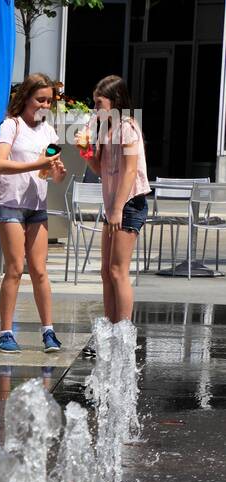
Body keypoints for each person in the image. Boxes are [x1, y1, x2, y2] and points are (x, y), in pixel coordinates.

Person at [0, 73, 67, 354]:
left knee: (39, 270)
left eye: (49, 100)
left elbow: (46, 172)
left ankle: (48, 330)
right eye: (40, 99)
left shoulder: (49, 132)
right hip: (10, 201)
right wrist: (38, 163)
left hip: (37, 204)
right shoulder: (11, 126)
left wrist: (55, 172)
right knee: (15, 269)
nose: (45, 105)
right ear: (26, 98)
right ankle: (5, 332)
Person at [75, 75, 149, 325]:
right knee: (107, 272)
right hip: (113, 205)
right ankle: (110, 325)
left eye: (99, 103)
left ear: (115, 101)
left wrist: (117, 209)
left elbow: (129, 170)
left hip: (127, 204)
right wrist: (84, 151)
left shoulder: (127, 127)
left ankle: (124, 329)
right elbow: (100, 168)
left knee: (118, 271)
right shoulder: (107, 129)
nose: (95, 108)